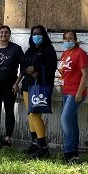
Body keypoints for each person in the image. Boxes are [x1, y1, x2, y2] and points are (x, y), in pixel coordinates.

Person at [15, 24, 57, 158]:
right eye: (34, 34)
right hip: (27, 86)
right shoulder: (30, 50)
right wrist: (27, 70)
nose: (36, 36)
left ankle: (44, 147)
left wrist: (36, 68)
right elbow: (22, 67)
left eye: (39, 34)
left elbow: (51, 68)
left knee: (35, 115)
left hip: (40, 87)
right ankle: (35, 144)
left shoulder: (49, 50)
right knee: (30, 115)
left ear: (44, 35)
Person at [58, 31, 88, 164]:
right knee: (72, 122)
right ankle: (74, 154)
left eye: (70, 38)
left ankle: (68, 151)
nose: (67, 40)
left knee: (65, 120)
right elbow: (62, 72)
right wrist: (60, 84)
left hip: (75, 93)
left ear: (76, 40)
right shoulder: (65, 54)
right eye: (65, 39)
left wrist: (79, 92)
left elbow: (85, 74)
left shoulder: (81, 54)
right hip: (66, 91)